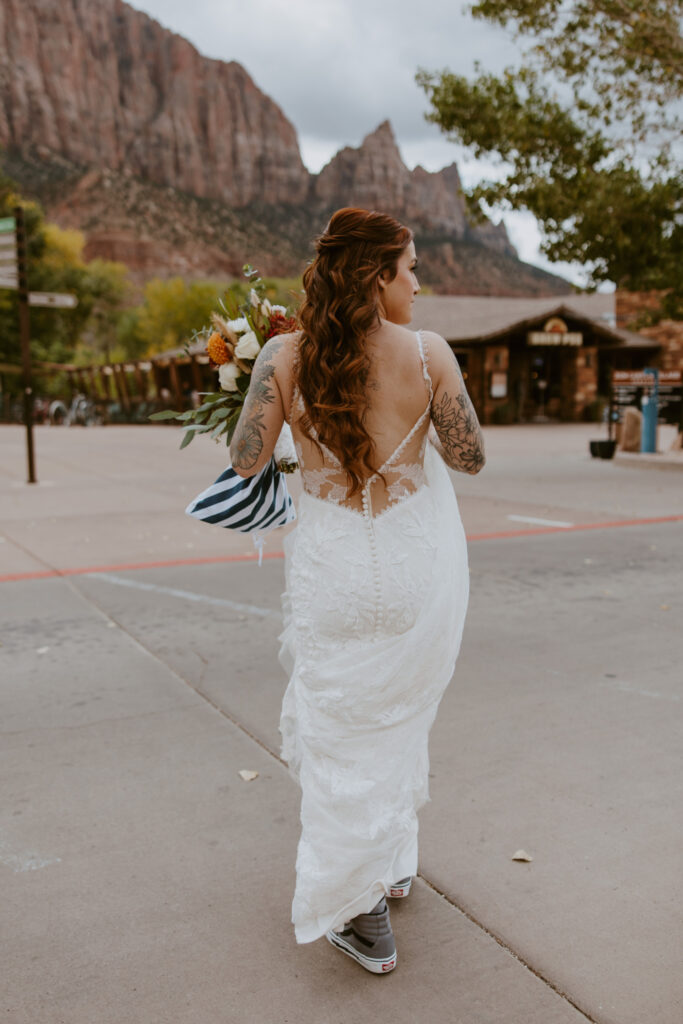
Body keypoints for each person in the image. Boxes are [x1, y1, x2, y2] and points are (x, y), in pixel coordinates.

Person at [230, 207, 485, 974]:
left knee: (343, 732)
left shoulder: (282, 354)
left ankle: (358, 908)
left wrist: (252, 385)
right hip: (410, 563)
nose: (417, 281)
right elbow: (468, 457)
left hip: (333, 567)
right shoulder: (428, 353)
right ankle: (389, 863)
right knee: (399, 715)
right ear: (377, 275)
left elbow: (245, 461)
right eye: (408, 267)